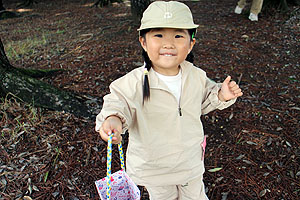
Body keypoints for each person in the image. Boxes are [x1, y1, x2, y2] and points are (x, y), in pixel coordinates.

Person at [95, 1, 243, 199]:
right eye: (158, 35)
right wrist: (113, 119)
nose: (168, 43)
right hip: (154, 169)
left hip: (189, 164)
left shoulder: (196, 76)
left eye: (178, 35)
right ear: (143, 42)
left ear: (191, 44)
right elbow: (118, 102)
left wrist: (221, 95)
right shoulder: (133, 82)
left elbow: (205, 100)